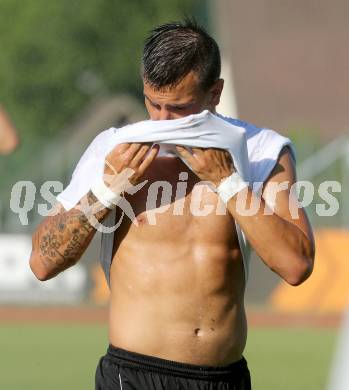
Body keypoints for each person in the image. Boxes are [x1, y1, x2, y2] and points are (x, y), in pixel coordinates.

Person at [29, 20, 315, 390]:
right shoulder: (115, 148)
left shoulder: (261, 150)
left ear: (215, 93)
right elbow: (42, 262)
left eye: (178, 109)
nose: (162, 121)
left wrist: (228, 183)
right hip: (132, 375)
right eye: (153, 104)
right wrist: (105, 190)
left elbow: (296, 265)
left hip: (223, 378)